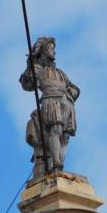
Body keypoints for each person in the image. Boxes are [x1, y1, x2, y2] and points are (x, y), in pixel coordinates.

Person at [20, 37, 80, 171]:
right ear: (44, 50)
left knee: (65, 136)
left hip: (67, 101)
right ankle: (56, 162)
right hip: (51, 99)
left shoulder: (60, 72)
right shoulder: (39, 69)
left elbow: (73, 87)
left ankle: (58, 164)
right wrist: (30, 65)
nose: (54, 52)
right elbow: (28, 84)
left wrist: (73, 91)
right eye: (52, 49)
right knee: (56, 129)